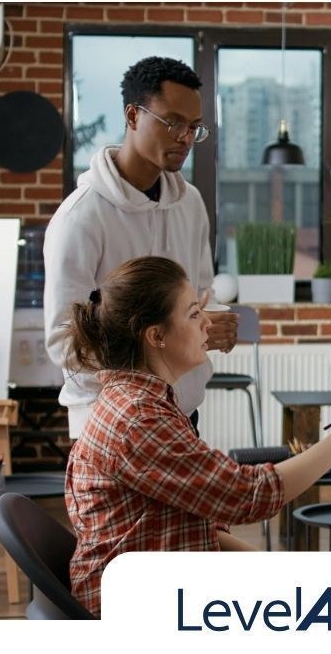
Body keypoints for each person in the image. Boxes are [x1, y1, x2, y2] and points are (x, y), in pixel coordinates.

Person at [64, 256, 331, 616]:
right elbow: (248, 495)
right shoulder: (138, 418)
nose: (208, 323)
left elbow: (196, 518)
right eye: (193, 314)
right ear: (156, 336)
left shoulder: (143, 401)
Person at [44, 56, 238, 440]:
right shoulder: (81, 217)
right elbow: (63, 341)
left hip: (181, 414)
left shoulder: (191, 204)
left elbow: (201, 297)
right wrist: (158, 347)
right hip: (110, 421)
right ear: (133, 116)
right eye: (173, 122)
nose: (185, 137)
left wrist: (213, 324)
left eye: (194, 127)